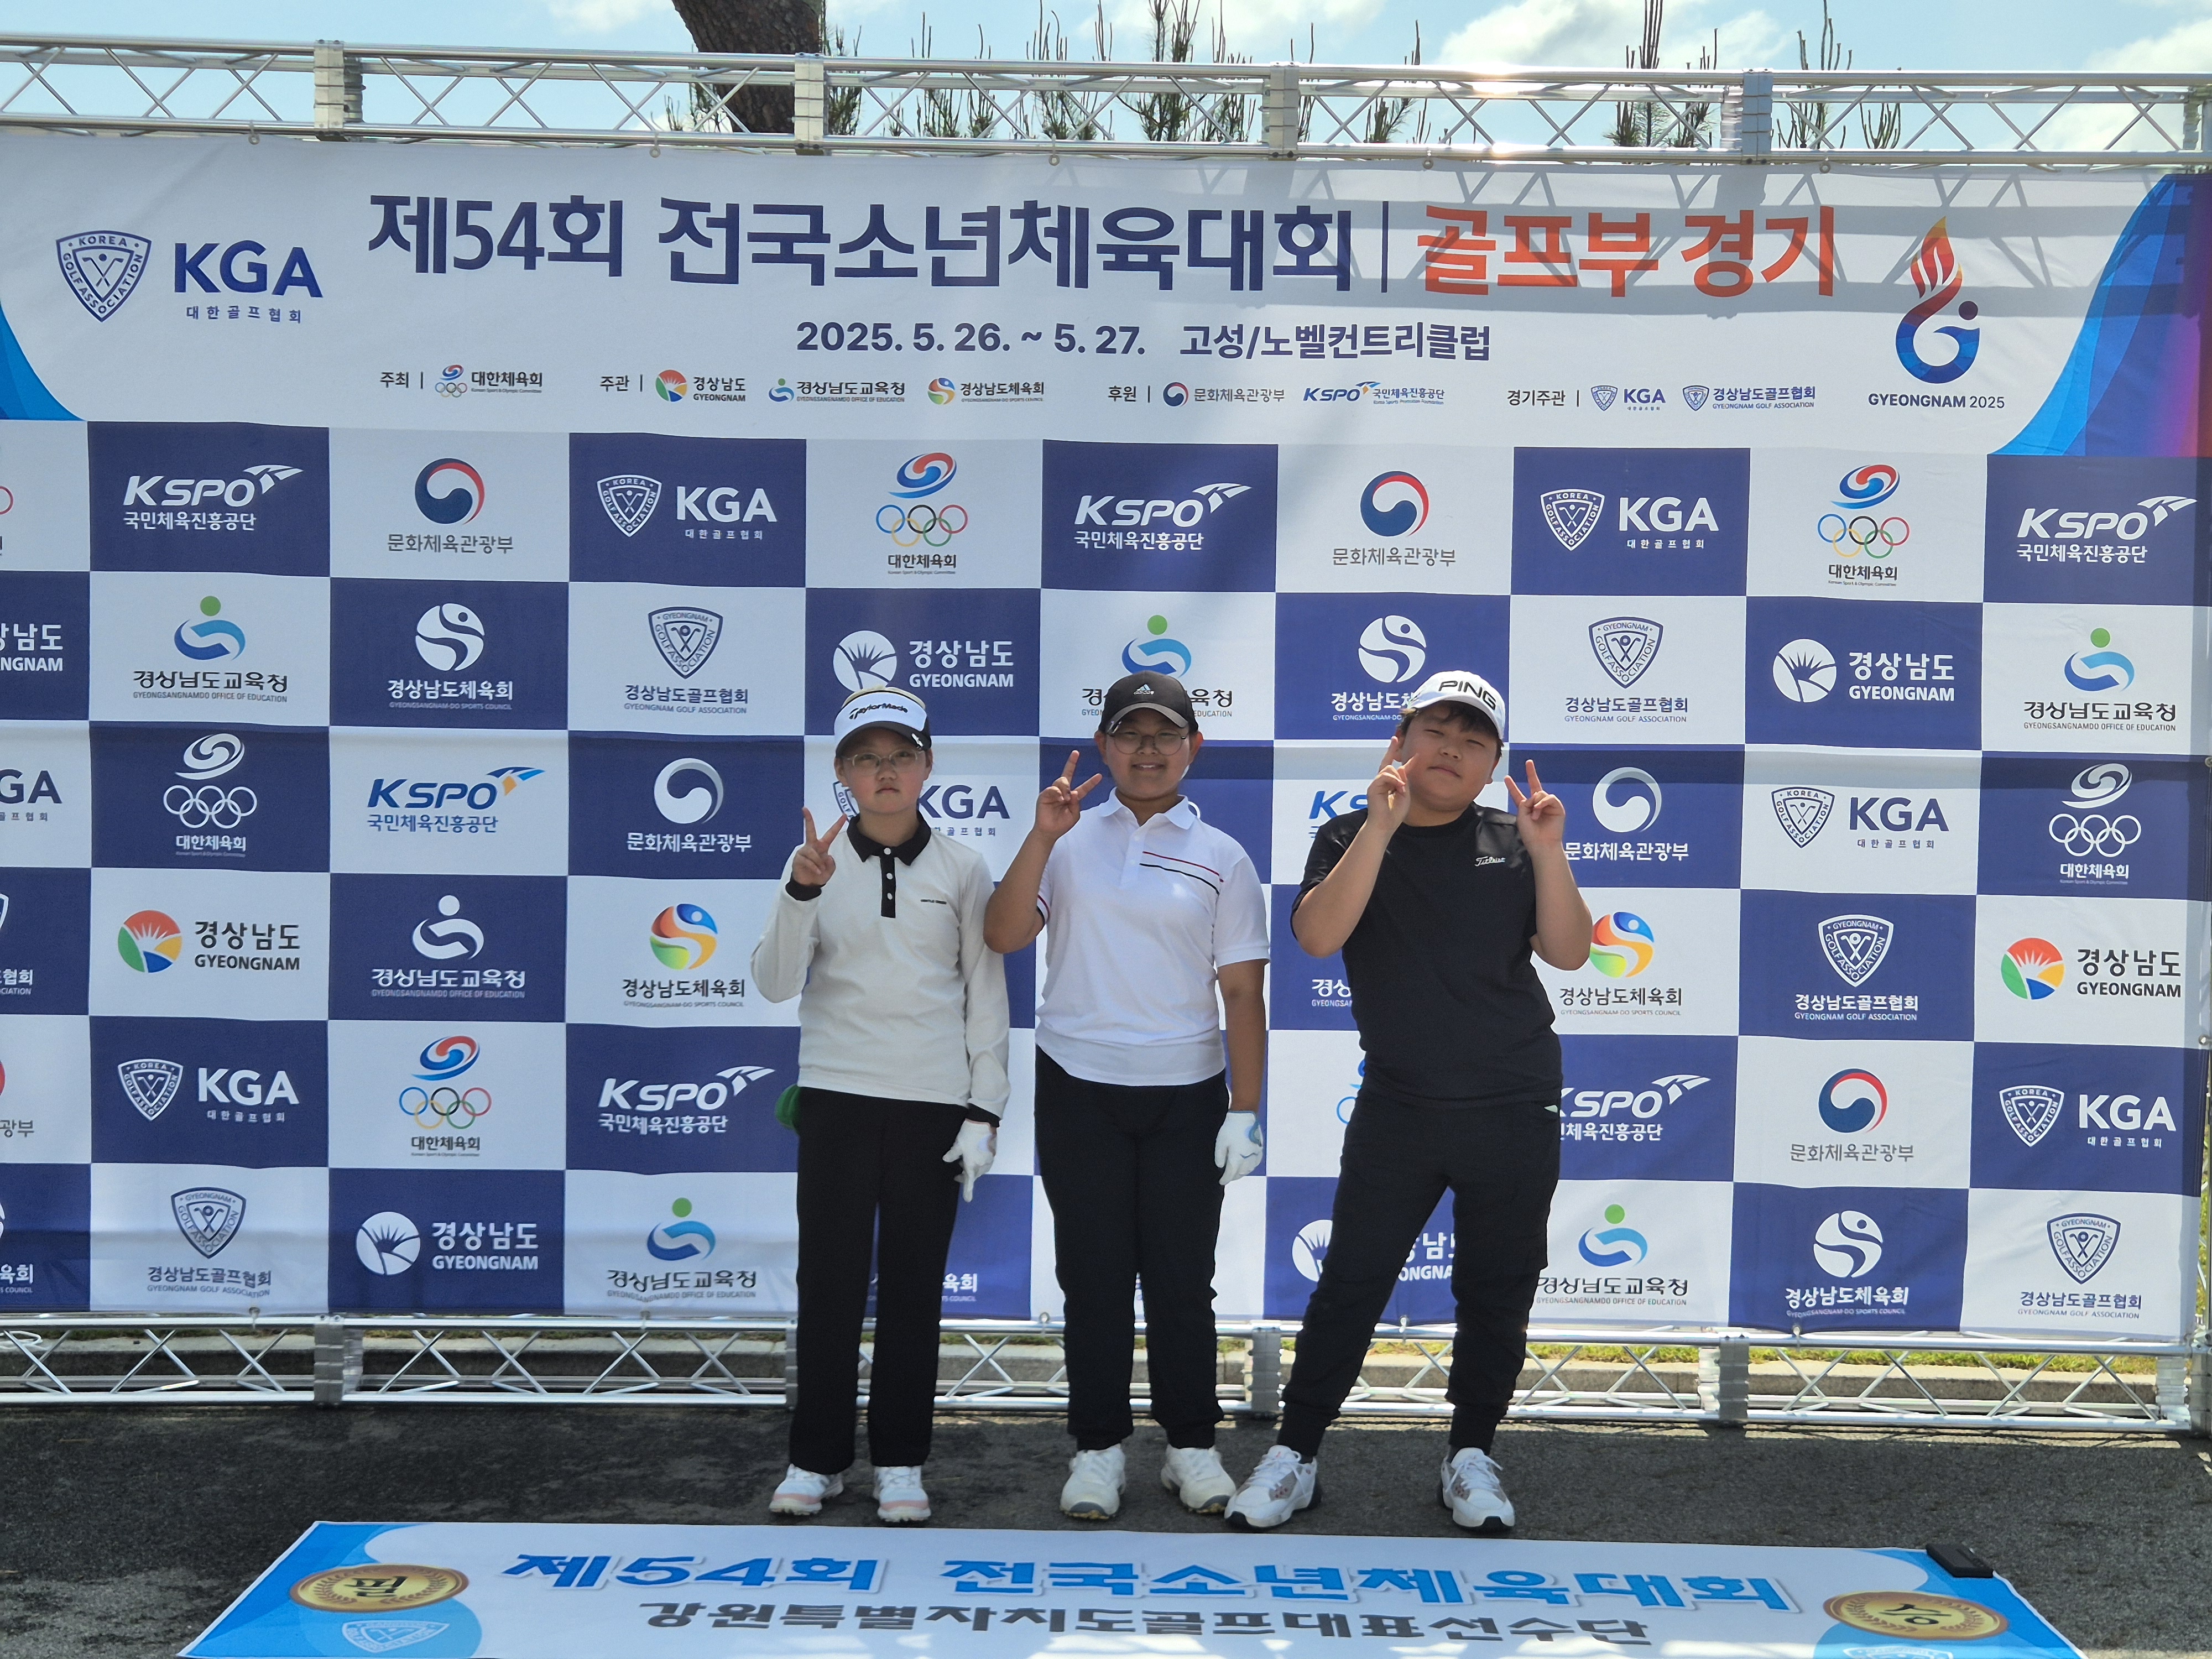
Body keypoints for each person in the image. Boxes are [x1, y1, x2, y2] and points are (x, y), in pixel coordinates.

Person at [1223, 670, 1590, 1535]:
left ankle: (1471, 1455)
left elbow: (1571, 953)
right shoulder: (1350, 833)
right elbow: (1318, 937)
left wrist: (1550, 851)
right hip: (1401, 1104)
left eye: (1473, 741)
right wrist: (1381, 825)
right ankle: (1296, 1455)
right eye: (1436, 732)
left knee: (1498, 1287)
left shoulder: (1516, 838)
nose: (1452, 751)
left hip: (1513, 1100)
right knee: (1351, 1280)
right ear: (1400, 742)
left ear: (1493, 764)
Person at [983, 670, 1269, 1521]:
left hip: (1186, 1092)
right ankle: (1098, 1449)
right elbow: (1004, 932)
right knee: (1095, 1278)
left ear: (1193, 747)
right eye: (1131, 734)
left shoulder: (1223, 856)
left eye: (1165, 735)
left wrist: (1244, 1109)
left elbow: (1243, 993)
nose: (1148, 750)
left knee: (1182, 1282)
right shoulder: (1067, 839)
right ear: (1104, 747)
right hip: (1079, 1086)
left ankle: (1191, 1447)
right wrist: (1041, 836)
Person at [752, 684, 1008, 1525]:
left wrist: (985, 1110)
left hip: (932, 1105)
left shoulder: (964, 867)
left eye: (901, 756)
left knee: (912, 1290)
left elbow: (984, 995)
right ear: (843, 773)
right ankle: (816, 1459)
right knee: (827, 1285)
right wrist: (800, 892)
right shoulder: (813, 864)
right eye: (867, 758)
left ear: (927, 766)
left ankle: (901, 1461)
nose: (886, 772)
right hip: (837, 1098)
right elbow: (774, 983)